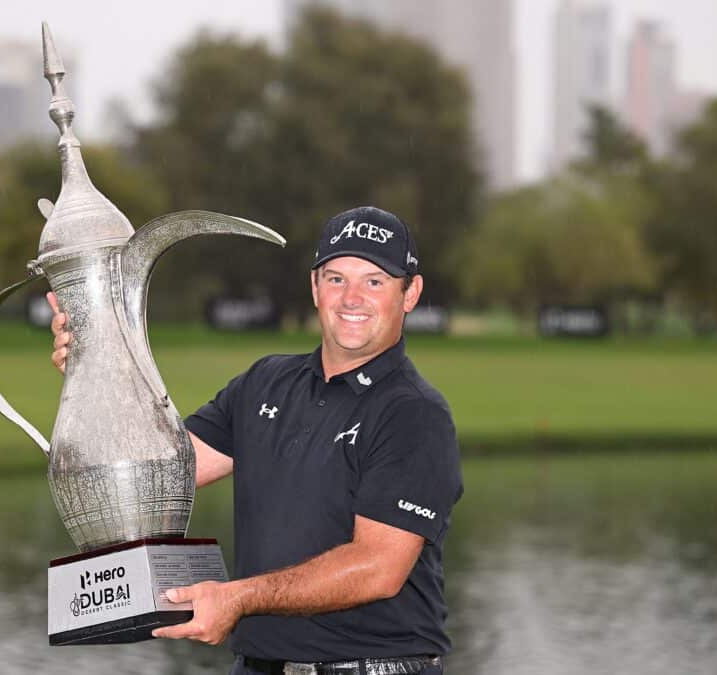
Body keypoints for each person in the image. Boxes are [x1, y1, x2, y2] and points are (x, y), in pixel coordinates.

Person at [49, 206, 463, 674]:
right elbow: (156, 475)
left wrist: (237, 598)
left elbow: (378, 568)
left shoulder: (414, 414)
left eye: (374, 282)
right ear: (314, 286)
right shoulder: (264, 383)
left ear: (410, 294)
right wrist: (97, 368)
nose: (352, 298)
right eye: (336, 278)